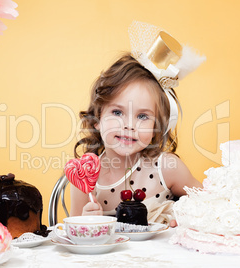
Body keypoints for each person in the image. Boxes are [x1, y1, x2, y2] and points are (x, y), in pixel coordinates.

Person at [69, 21, 204, 226]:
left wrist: (187, 217)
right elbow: (72, 233)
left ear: (157, 126)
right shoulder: (85, 179)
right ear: (97, 119)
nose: (129, 125)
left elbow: (210, 205)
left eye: (142, 116)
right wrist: (86, 222)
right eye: (117, 112)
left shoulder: (167, 168)